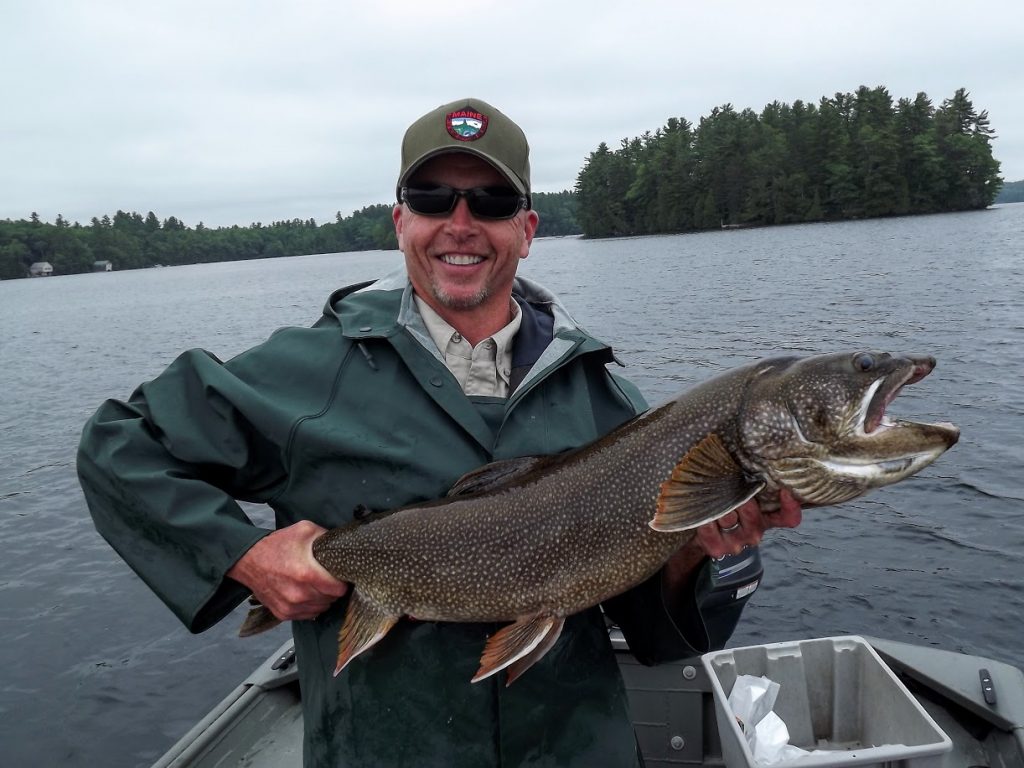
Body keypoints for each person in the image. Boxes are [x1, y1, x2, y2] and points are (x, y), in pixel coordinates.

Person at [77, 97, 802, 767]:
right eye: (432, 199)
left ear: (527, 229)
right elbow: (121, 445)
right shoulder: (306, 372)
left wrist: (693, 556)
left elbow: (648, 623)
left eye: (490, 201)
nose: (460, 222)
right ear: (400, 222)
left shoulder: (608, 401)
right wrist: (244, 554)